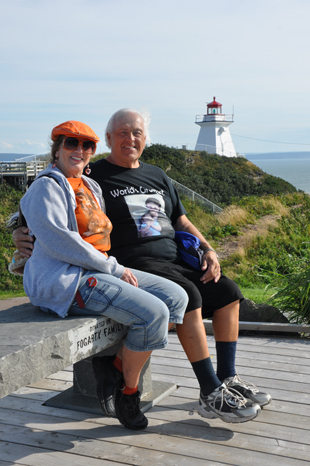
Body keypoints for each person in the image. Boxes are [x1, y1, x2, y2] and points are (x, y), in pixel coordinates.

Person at [14, 110, 269, 424]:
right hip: (117, 265)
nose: (129, 138)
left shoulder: (116, 180)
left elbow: (180, 220)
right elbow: (41, 215)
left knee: (228, 291)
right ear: (108, 140)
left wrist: (208, 249)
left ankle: (224, 378)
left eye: (86, 145)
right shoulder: (93, 177)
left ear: (145, 139)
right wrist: (20, 233)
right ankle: (203, 389)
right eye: (121, 133)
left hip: (153, 260)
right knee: (184, 297)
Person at [17, 120, 189, 431]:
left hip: (96, 270)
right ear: (56, 149)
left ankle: (114, 366)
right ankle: (128, 393)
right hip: (66, 280)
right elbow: (59, 240)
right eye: (71, 143)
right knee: (154, 314)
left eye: (88, 145)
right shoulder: (45, 186)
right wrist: (115, 268)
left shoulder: (91, 186)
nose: (80, 150)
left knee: (177, 297)